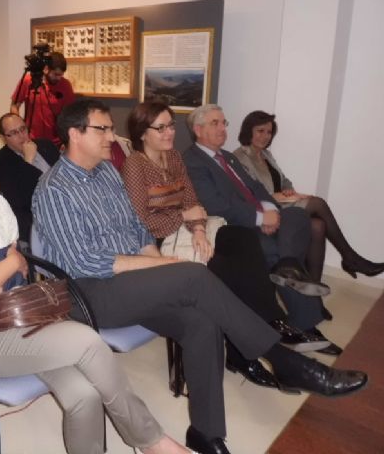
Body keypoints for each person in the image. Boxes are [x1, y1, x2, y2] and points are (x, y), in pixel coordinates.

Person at [32, 98, 367, 454]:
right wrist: (163, 267)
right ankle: (286, 361)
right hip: (87, 293)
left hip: (126, 283)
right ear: (75, 134)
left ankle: (206, 434)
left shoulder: (107, 173)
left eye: (112, 129)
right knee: (192, 275)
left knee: (201, 323)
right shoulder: (54, 189)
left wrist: (159, 262)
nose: (112, 138)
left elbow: (137, 230)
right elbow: (85, 262)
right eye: (103, 129)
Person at [0, 122, 192, 454]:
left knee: (83, 394)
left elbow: (11, 275)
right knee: (88, 342)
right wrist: (9, 265)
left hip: (23, 317)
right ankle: (151, 441)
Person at [120, 102, 329, 365]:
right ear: (142, 133)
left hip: (190, 229)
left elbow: (192, 200)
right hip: (158, 239)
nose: (170, 132)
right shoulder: (134, 165)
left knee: (244, 240)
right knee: (228, 266)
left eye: (171, 125)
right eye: (161, 128)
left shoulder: (173, 157)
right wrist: (186, 218)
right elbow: (140, 221)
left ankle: (272, 321)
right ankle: (255, 342)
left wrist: (198, 229)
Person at [182, 104, 342, 354]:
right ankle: (306, 325)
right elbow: (215, 205)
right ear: (198, 129)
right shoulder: (192, 161)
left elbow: (255, 187)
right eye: (215, 123)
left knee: (299, 216)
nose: (223, 128)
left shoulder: (228, 157)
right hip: (236, 227)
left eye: (224, 123)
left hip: (258, 215)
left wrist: (271, 211)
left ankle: (287, 268)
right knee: (273, 250)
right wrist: (260, 219)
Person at [233, 110, 384, 280]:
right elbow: (248, 193)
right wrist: (276, 196)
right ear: (249, 130)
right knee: (318, 203)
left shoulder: (266, 154)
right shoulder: (239, 157)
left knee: (318, 225)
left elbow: (284, 180)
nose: (265, 136)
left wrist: (288, 190)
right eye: (260, 131)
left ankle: (314, 285)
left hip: (282, 203)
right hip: (266, 210)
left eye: (269, 132)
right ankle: (351, 258)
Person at [0, 113, 59, 242]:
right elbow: (20, 200)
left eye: (23, 129)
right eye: (13, 133)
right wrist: (28, 161)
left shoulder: (46, 145)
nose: (21, 135)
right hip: (35, 222)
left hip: (62, 209)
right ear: (3, 138)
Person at [10, 51, 75, 147]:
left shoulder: (65, 85)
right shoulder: (28, 81)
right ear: (46, 69)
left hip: (56, 142)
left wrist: (67, 140)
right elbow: (14, 106)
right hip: (31, 140)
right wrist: (19, 128)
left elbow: (70, 115)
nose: (58, 78)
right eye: (56, 74)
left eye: (61, 75)